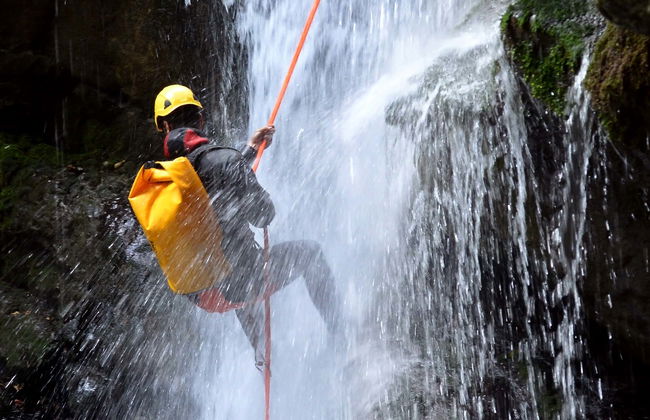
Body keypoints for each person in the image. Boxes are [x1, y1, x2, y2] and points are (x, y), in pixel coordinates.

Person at [152, 85, 341, 365]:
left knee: (229, 260)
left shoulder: (165, 177)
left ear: (165, 126)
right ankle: (342, 333)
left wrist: (249, 151)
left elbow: (211, 174)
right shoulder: (226, 161)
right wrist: (244, 179)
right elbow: (264, 215)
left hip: (199, 292)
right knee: (307, 254)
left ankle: (260, 348)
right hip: (238, 285)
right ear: (201, 120)